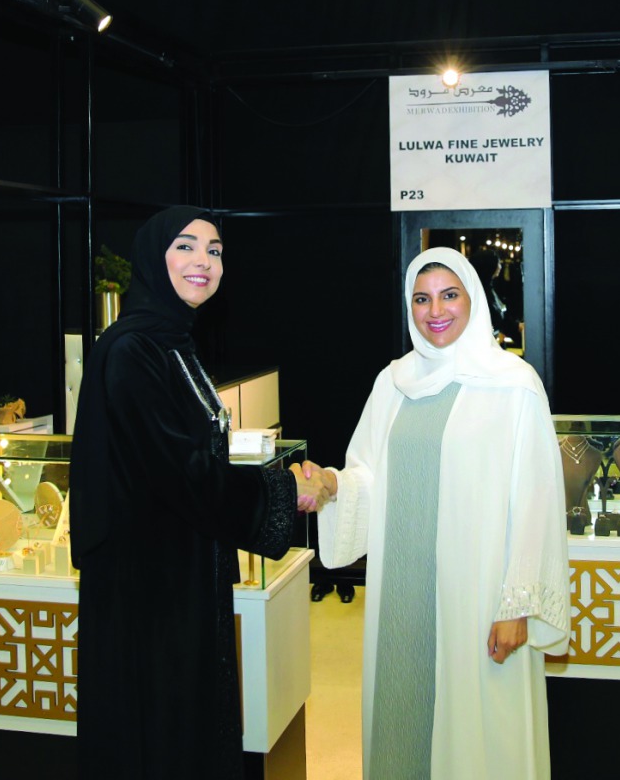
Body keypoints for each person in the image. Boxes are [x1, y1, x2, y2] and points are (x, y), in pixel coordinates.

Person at [301, 247, 570, 779]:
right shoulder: (393, 382)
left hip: (479, 597)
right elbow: (370, 475)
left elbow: (536, 500)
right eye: (422, 299)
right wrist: (332, 483)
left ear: (474, 300)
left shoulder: (513, 385)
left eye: (450, 295)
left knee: (480, 739)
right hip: (403, 596)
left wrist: (517, 604)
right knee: (401, 725)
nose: (435, 311)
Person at [69, 206, 318, 779]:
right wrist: (284, 489)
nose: (203, 261)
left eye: (214, 250)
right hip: (148, 592)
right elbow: (182, 474)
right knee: (160, 735)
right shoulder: (133, 350)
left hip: (178, 573)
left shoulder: (170, 341)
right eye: (186, 246)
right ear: (154, 258)